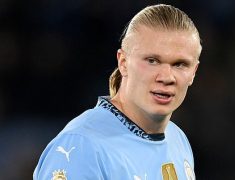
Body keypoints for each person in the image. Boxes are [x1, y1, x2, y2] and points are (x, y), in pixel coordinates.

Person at [33, 4, 202, 180]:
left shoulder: (177, 139)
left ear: (193, 72)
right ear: (123, 62)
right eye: (152, 61)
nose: (167, 77)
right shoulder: (83, 146)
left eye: (180, 64)